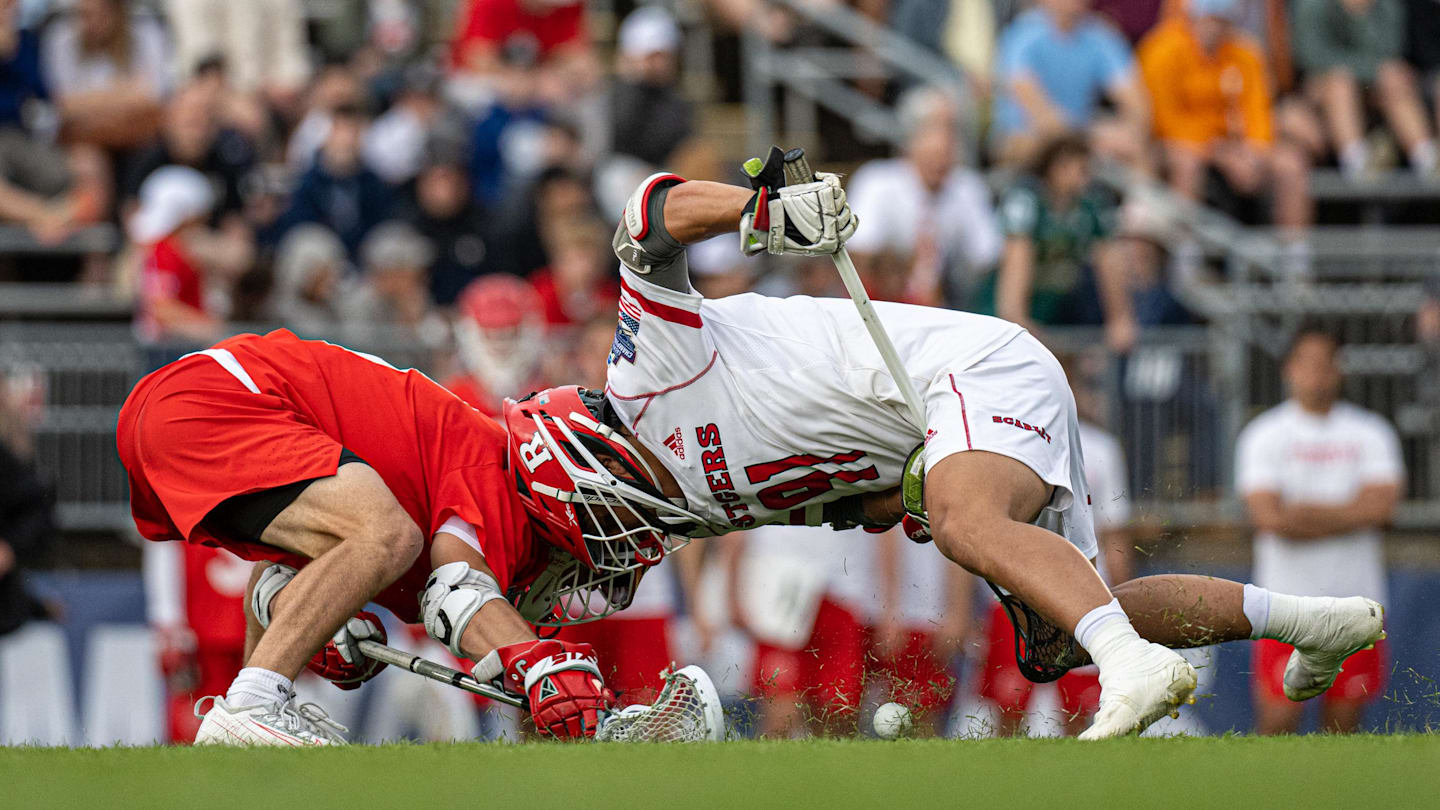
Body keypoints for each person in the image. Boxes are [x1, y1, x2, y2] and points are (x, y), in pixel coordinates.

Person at [509, 155, 1389, 739]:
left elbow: (646, 217)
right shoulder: (697, 509)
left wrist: (763, 208)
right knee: (1065, 628)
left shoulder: (644, 376)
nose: (611, 547)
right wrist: (907, 499)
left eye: (591, 528)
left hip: (973, 368)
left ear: (585, 461)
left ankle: (1134, 670)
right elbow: (857, 501)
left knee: (978, 527)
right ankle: (1306, 621)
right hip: (942, 416)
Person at [116, 328, 639, 745]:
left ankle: (252, 709)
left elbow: (272, 569)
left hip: (182, 403)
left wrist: (305, 613)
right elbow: (459, 592)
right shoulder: (490, 461)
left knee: (357, 545)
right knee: (388, 535)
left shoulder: (468, 452)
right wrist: (543, 665)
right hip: (215, 396)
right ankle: (254, 704)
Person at [1236, 325, 1401, 734]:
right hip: (1284, 608)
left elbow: (1381, 508)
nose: (1317, 373)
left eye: (1326, 363)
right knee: (1277, 721)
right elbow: (1268, 518)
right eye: (1307, 362)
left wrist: (1300, 512)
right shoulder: (1264, 435)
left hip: (1356, 606)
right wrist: (1348, 512)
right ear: (1289, 369)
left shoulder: (1371, 432)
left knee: (1343, 730)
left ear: (1339, 369)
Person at [1137, 0, 1312, 238]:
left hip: (1233, 145)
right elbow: (1164, 120)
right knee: (1186, 162)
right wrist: (1218, 150)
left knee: (1291, 164)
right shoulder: (1162, 49)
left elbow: (1258, 110)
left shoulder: (1243, 53)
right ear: (1193, 17)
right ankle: (1186, 254)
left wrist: (1255, 150)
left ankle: (1294, 257)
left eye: (1222, 20)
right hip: (1180, 144)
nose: (1215, 28)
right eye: (1210, 19)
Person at [844, 86, 1001, 307]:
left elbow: (987, 258)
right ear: (910, 140)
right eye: (933, 132)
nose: (943, 145)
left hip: (949, 305)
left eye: (951, 134)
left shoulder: (968, 187)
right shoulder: (876, 182)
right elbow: (860, 254)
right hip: (883, 306)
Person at [987, 135, 1137, 353]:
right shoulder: (1027, 201)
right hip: (1015, 304)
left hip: (1058, 305)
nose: (1086, 178)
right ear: (1058, 167)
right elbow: (1017, 256)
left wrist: (1121, 318)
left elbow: (1108, 259)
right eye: (1081, 169)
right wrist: (1015, 317)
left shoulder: (1089, 206)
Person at [992, 0, 1150, 168]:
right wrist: (1090, 137)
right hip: (1027, 136)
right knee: (1039, 147)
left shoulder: (1100, 35)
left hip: (1081, 139)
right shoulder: (1022, 33)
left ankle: (1144, 193)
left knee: (1132, 147)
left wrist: (1127, 133)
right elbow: (1036, 108)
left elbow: (1137, 105)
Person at [1290, 0, 1436, 179]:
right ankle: (1357, 163)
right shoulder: (1312, 4)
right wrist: (1367, 69)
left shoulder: (1386, 5)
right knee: (1340, 82)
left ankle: (1427, 159)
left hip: (1374, 91)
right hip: (1321, 90)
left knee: (1393, 79)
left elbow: (1390, 51)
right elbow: (1311, 56)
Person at [143, 541, 251, 744]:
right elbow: (164, 550)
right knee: (195, 722)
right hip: (202, 636)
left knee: (256, 718)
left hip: (252, 629)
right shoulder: (177, 514)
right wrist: (169, 623)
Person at [40, 0, 170, 150]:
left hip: (138, 138)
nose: (91, 23)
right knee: (85, 165)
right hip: (83, 139)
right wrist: (125, 93)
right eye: (84, 14)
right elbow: (63, 105)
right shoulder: (61, 36)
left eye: (100, 14)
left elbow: (153, 97)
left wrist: (90, 102)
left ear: (117, 11)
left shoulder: (146, 31)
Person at [444, 274, 548, 418]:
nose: (502, 346)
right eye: (490, 335)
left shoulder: (549, 397)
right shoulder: (453, 399)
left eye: (511, 334)